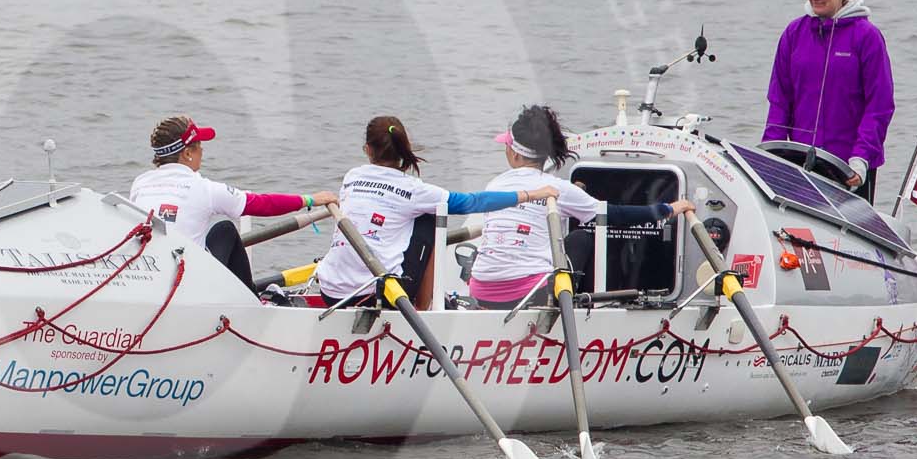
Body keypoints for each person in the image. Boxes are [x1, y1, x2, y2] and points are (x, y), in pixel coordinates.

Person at [466, 104, 696, 309]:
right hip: (528, 293)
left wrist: (573, 193)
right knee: (580, 239)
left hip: (482, 290)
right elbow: (615, 215)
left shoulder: (495, 184)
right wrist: (669, 208)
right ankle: (567, 304)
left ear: (514, 154)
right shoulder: (559, 189)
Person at [314, 115, 554, 307]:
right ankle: (424, 308)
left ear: (367, 150)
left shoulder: (351, 176)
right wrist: (529, 195)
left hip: (330, 291)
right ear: (404, 149)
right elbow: (473, 202)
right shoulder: (414, 190)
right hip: (377, 294)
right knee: (432, 215)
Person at [129, 116, 338, 292]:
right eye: (199, 146)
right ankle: (252, 305)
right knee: (226, 230)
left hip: (149, 278)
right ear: (187, 153)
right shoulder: (203, 189)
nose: (202, 151)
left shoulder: (140, 183)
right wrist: (310, 200)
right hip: (189, 285)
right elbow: (261, 205)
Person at [762, 0, 895, 200]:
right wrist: (772, 153)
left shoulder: (867, 37)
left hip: (848, 167)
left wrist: (861, 158)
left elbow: (879, 106)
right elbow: (780, 99)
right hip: (801, 162)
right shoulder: (794, 33)